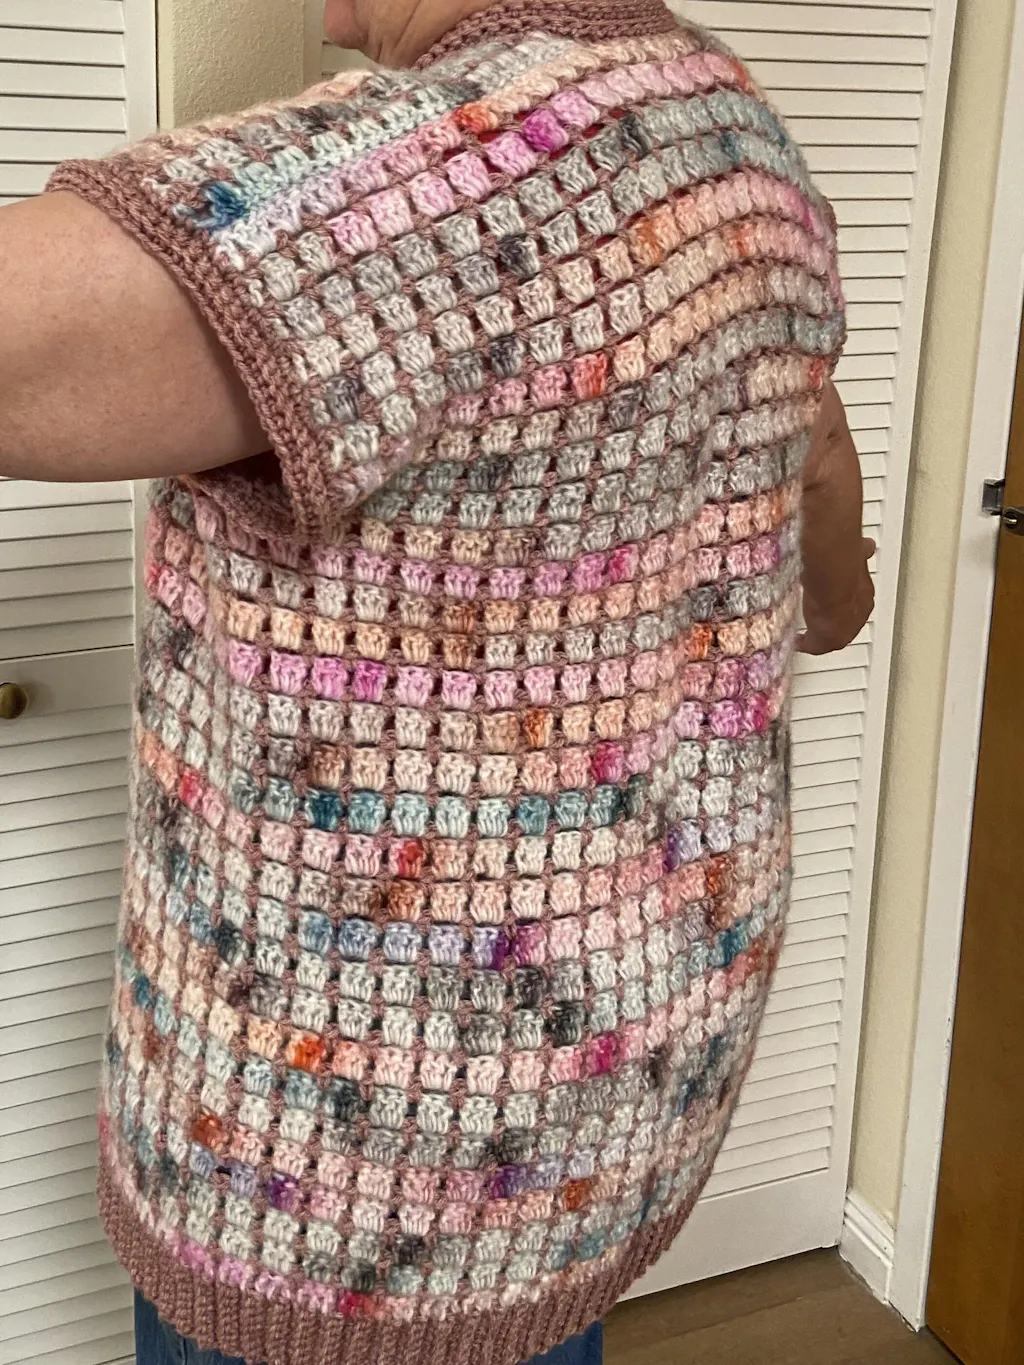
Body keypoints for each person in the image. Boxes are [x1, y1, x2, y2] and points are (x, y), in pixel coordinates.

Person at [0, 0, 873, 1361]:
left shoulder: (432, 187)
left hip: (350, 1174)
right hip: (617, 1073)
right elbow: (826, 531)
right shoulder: (745, 146)